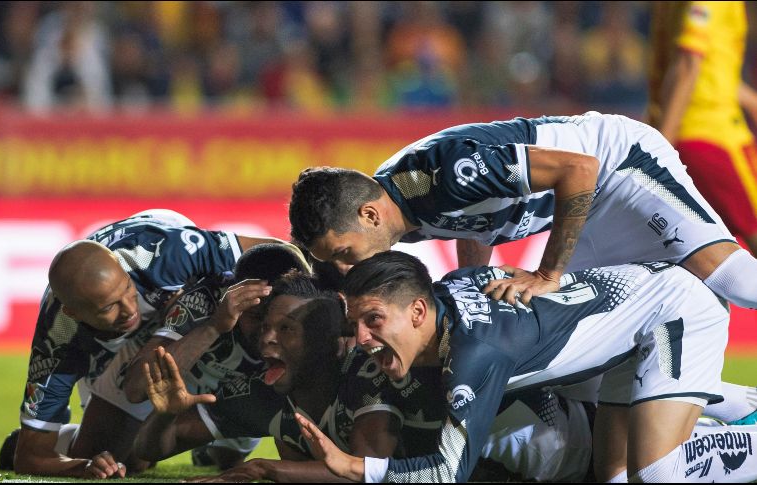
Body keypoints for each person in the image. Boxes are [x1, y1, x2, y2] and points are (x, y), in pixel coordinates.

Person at [295, 251, 757, 483]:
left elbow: (445, 474)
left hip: (671, 313)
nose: (361, 338)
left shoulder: (474, 357)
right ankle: (735, 402)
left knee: (656, 475)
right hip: (631, 323)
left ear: (418, 312)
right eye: (355, 324)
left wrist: (353, 466)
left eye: (373, 321)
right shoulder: (448, 292)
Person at [288, 111, 757, 310]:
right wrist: (472, 279)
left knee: (732, 281)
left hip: (617, 166)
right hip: (584, 212)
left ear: (369, 216)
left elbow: (578, 169)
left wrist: (548, 275)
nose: (348, 268)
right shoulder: (396, 214)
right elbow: (466, 220)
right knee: (594, 362)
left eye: (344, 252)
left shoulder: (448, 172)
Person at [12, 209, 281, 478]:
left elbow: (278, 253)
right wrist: (82, 466)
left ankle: (210, 426)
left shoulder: (164, 253)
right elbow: (31, 456)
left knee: (226, 458)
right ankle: (82, 436)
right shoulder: (56, 344)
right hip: (127, 341)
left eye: (127, 290)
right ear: (74, 313)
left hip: (185, 300)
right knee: (125, 461)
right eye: (109, 307)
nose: (129, 310)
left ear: (122, 268)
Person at [134, 272, 444, 482]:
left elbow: (364, 472)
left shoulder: (367, 373)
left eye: (286, 329)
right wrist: (166, 416)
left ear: (325, 340)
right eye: (266, 327)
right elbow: (150, 449)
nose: (266, 339)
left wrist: (263, 468)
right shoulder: (262, 391)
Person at [121, 242, 310, 470]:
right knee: (132, 459)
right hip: (190, 377)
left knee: (229, 460)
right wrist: (214, 327)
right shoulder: (206, 299)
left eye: (282, 323)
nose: (267, 334)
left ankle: (208, 452)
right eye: (256, 316)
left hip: (249, 390)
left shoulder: (315, 312)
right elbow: (136, 389)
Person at [648, 1, 757, 256]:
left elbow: (711, 70)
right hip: (711, 138)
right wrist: (660, 147)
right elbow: (688, 64)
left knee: (704, 253)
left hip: (685, 134)